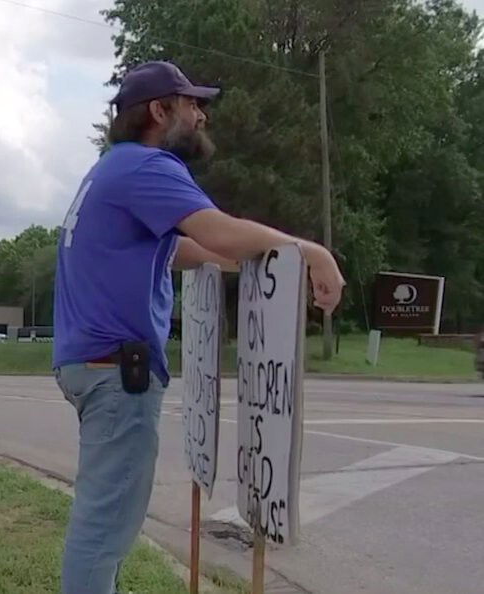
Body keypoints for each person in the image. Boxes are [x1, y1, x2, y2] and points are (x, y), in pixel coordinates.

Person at [52, 61, 345, 594]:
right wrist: (313, 253)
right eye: (191, 104)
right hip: (116, 371)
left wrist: (251, 264)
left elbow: (180, 249)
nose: (202, 114)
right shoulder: (147, 167)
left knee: (105, 520)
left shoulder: (110, 169)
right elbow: (220, 232)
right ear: (159, 111)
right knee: (104, 529)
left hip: (92, 364)